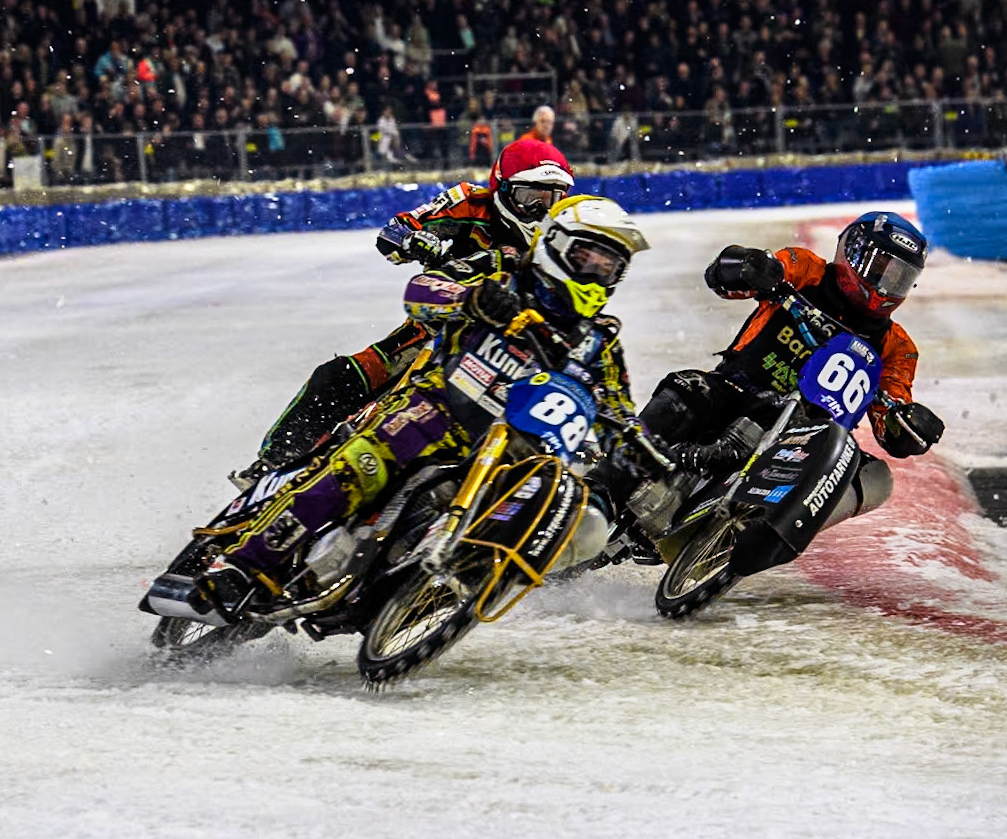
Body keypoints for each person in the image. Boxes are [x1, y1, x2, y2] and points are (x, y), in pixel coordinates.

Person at [198, 197, 649, 614]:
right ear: (555, 245)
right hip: (437, 407)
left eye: (608, 267)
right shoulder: (505, 273)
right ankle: (242, 563)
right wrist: (469, 298)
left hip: (507, 450)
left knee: (532, 510)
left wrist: (637, 447)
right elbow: (422, 291)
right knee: (360, 464)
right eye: (587, 258)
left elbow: (618, 407)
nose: (594, 273)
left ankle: (427, 593)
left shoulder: (599, 339)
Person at [238, 138, 576, 487]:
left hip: (512, 356)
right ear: (502, 189)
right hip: (429, 333)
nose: (541, 209)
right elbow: (395, 231)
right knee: (336, 378)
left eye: (552, 198)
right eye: (530, 197)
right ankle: (272, 466)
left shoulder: (567, 238)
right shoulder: (469, 203)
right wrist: (419, 241)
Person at [637, 210, 945, 530]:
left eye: (898, 277)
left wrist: (908, 426)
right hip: (737, 390)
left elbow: (890, 420)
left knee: (874, 477)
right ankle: (619, 468)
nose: (885, 285)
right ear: (851, 251)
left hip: (807, 441)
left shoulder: (897, 347)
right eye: (879, 268)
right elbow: (725, 279)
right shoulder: (805, 268)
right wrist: (750, 267)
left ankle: (771, 532)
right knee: (687, 388)